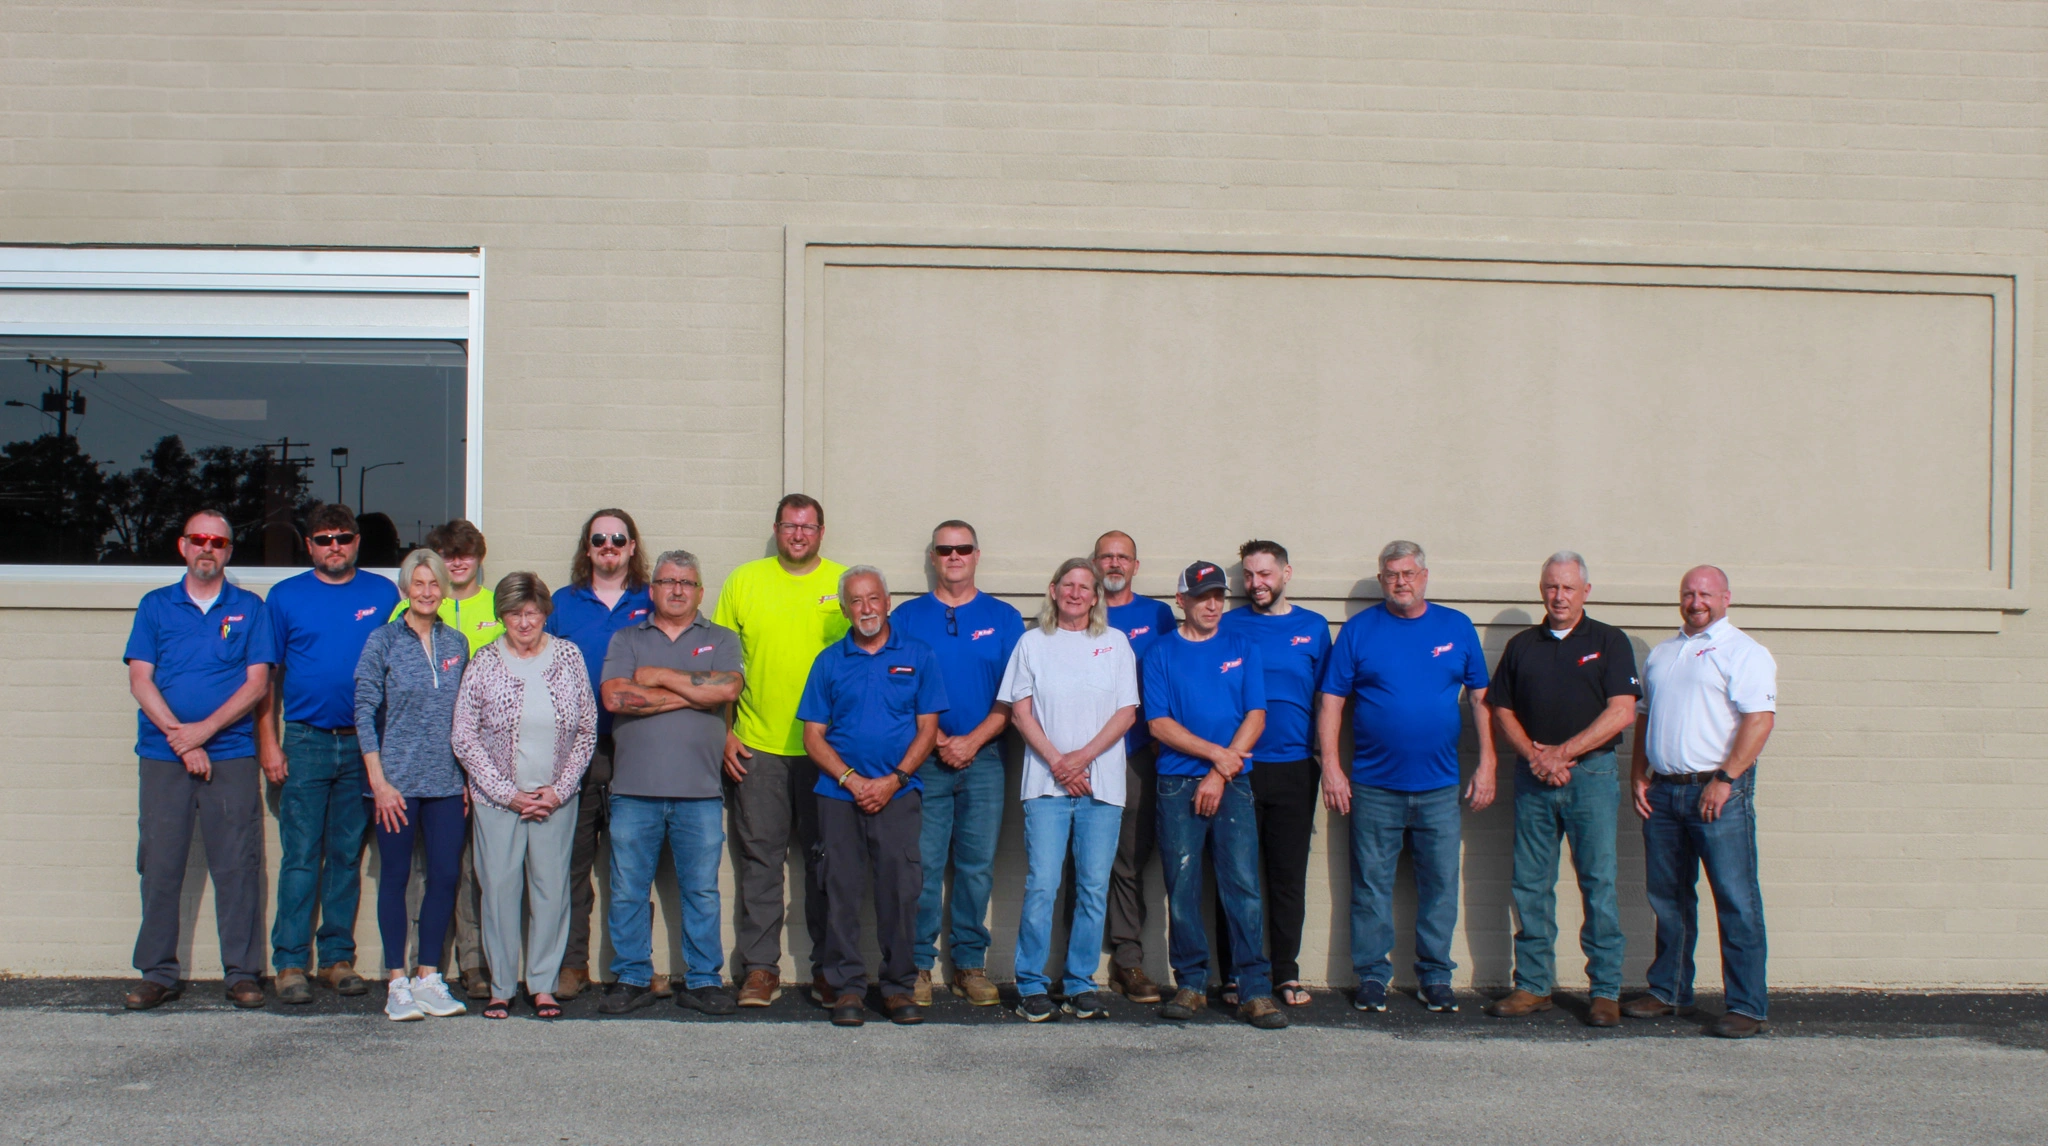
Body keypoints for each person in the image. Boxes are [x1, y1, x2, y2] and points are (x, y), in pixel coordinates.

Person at [1317, 540, 1496, 1015]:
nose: (1401, 581)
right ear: (1381, 580)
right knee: (1370, 887)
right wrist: (1332, 767)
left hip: (1439, 787)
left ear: (1425, 575)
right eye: (1392, 574)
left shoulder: (1456, 627)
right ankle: (1373, 977)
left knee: (1439, 885)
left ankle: (1436, 977)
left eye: (1409, 573)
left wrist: (1488, 763)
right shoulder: (1358, 632)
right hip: (1374, 787)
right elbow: (1331, 702)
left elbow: (1481, 700)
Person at [121, 509, 276, 1010]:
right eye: (198, 539)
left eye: (218, 541)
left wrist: (204, 734)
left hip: (231, 753)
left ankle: (242, 973)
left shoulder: (250, 609)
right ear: (183, 547)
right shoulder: (155, 606)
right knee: (161, 862)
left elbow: (258, 684)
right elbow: (140, 679)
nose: (208, 548)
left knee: (237, 864)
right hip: (163, 755)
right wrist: (180, 739)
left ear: (229, 551)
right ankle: (157, 972)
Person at [1483, 552, 1639, 1028]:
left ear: (1585, 591)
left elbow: (1622, 712)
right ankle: (1533, 985)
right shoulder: (1522, 645)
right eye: (1552, 587)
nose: (1559, 596)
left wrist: (1562, 753)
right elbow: (1501, 709)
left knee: (1598, 882)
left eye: (1569, 588)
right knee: (1530, 884)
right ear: (1541, 589)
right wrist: (1536, 757)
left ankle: (1606, 990)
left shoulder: (1610, 642)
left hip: (1590, 777)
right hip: (1534, 778)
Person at [255, 503, 400, 1004]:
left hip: (364, 745)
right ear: (309, 545)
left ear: (357, 542)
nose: (333, 546)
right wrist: (268, 741)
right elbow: (267, 679)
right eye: (323, 539)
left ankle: (336, 958)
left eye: (342, 537)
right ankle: (290, 962)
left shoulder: (383, 593)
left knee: (345, 855)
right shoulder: (285, 596)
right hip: (306, 740)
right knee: (300, 856)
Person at [1624, 565, 1777, 1039]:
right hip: (1665, 792)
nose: (1696, 602)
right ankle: (1670, 992)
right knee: (1668, 899)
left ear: (1726, 598)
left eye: (1706, 594)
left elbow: (1760, 720)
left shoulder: (1744, 653)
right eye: (1688, 593)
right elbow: (1644, 716)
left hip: (1718, 794)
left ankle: (1747, 1006)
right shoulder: (1665, 654)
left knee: (1735, 899)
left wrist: (1726, 778)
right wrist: (1638, 773)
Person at [594, 550, 745, 1017]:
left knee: (701, 890)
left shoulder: (721, 637)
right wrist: (693, 696)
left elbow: (728, 689)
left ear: (700, 591)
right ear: (653, 589)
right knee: (627, 889)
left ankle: (702, 979)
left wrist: (657, 678)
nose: (677, 589)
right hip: (633, 790)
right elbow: (617, 696)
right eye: (667, 581)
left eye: (687, 582)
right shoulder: (627, 637)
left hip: (699, 791)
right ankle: (633, 975)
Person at [713, 493, 850, 1007]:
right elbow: (725, 668)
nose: (798, 535)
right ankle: (760, 969)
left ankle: (829, 969)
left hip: (828, 752)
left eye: (808, 526)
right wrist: (725, 732)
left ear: (821, 531)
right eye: (790, 526)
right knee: (760, 863)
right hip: (759, 747)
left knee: (827, 863)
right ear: (777, 529)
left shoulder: (842, 586)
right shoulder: (745, 581)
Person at [797, 566, 948, 1027]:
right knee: (839, 889)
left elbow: (928, 729)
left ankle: (900, 987)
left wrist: (892, 780)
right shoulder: (828, 661)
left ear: (887, 602)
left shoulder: (918, 655)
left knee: (900, 891)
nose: (866, 608)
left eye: (874, 599)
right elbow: (813, 736)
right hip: (838, 796)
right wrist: (852, 780)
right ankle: (846, 989)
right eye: (856, 601)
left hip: (899, 794)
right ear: (845, 609)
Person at [1143, 561, 1285, 1030]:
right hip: (1176, 782)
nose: (1213, 604)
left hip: (1233, 784)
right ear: (1180, 600)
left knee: (1242, 886)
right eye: (1202, 596)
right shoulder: (1159, 652)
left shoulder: (1242, 645)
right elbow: (1159, 723)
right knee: (1182, 887)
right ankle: (1190, 982)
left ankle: (1255, 989)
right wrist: (1216, 758)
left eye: (1219, 596)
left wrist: (1221, 774)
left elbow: (1257, 715)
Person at [888, 520, 1023, 1007]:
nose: (953, 556)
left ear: (976, 555)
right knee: (921, 865)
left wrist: (971, 740)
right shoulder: (906, 617)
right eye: (944, 549)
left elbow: (1015, 695)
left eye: (962, 549)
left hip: (984, 758)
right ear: (933, 556)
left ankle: (970, 964)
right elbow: (896, 689)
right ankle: (918, 965)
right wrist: (940, 739)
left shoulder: (1004, 618)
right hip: (925, 759)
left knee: (976, 867)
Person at [452, 572, 598, 1020]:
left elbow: (587, 729)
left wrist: (560, 788)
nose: (523, 621)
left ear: (544, 613)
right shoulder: (484, 661)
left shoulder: (569, 656)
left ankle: (543, 985)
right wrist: (505, 793)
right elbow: (463, 736)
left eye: (531, 611)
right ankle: (500, 987)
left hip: (555, 798)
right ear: (502, 616)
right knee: (498, 890)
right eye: (514, 612)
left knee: (551, 891)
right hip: (498, 801)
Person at [1000, 558, 1138, 1022]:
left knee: (1094, 888)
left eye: (1086, 586)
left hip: (1102, 787)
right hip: (1045, 786)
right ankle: (1031, 984)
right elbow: (1020, 713)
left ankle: (1080, 983)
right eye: (1068, 585)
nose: (1077, 593)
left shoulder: (1115, 644)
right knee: (1043, 884)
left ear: (1096, 596)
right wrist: (1060, 764)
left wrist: (1080, 759)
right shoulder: (1032, 643)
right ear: (1053, 590)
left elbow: (1125, 713)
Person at [386, 518, 502, 1000]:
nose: (457, 562)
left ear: (479, 555)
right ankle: (416, 967)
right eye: (447, 553)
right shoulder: (399, 615)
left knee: (469, 869)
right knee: (417, 872)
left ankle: (472, 963)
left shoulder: (496, 605)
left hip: (479, 761)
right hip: (416, 764)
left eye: (465, 552)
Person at [354, 549, 472, 1021]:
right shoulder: (381, 640)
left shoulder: (458, 643)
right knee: (398, 879)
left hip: (445, 783)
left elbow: (464, 714)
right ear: (405, 590)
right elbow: (363, 711)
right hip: (396, 785)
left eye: (434, 583)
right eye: (417, 584)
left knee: (445, 876)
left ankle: (428, 977)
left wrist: (465, 778)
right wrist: (378, 782)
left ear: (444, 589)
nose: (426, 592)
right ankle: (397, 982)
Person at [1214, 539, 1330, 1008]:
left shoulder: (1314, 628)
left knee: (1286, 876)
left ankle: (1285, 972)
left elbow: (1328, 700)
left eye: (1265, 574)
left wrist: (1327, 761)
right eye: (1248, 574)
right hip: (1237, 766)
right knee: (1233, 875)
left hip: (1295, 768)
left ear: (1286, 573)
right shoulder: (1228, 623)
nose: (1255, 584)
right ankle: (1235, 973)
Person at [543, 509, 653, 998]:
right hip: (574, 750)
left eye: (618, 539)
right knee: (574, 861)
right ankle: (572, 965)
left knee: (634, 861)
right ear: (587, 549)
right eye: (599, 539)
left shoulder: (653, 601)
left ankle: (637, 966)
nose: (609, 546)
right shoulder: (561, 605)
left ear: (632, 547)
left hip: (637, 744)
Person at [1093, 529, 1177, 1005]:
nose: (1114, 563)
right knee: (1076, 857)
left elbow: (1173, 672)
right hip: (1080, 755)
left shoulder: (1157, 615)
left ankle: (1128, 958)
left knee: (1128, 858)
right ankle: (1074, 959)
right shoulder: (1080, 609)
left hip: (1138, 753)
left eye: (1123, 556)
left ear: (1135, 566)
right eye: (1106, 556)